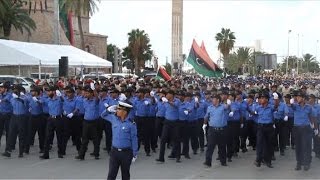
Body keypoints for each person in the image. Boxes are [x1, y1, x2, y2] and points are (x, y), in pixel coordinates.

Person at [101, 101, 138, 180]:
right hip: (114, 152)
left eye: (119, 109)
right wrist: (107, 110)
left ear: (124, 112)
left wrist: (135, 153)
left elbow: (134, 139)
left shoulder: (131, 124)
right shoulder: (113, 118)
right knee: (111, 174)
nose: (116, 110)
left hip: (126, 153)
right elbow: (103, 115)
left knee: (125, 175)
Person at [290, 91, 318, 171]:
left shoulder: (309, 107)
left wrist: (315, 129)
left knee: (306, 146)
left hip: (306, 129)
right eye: (297, 97)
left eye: (299, 97)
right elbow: (291, 105)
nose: (297, 98)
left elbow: (313, 118)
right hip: (297, 128)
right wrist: (292, 101)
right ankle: (299, 162)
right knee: (298, 147)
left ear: (303, 98)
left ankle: (307, 163)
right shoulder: (295, 106)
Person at [203, 94, 231, 167]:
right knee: (210, 146)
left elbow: (228, 108)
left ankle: (223, 161)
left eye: (214, 99)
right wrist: (204, 124)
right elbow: (206, 116)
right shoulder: (210, 107)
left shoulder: (223, 107)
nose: (212, 100)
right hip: (212, 129)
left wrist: (228, 103)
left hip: (222, 130)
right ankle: (208, 162)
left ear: (218, 100)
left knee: (222, 146)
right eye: (212, 99)